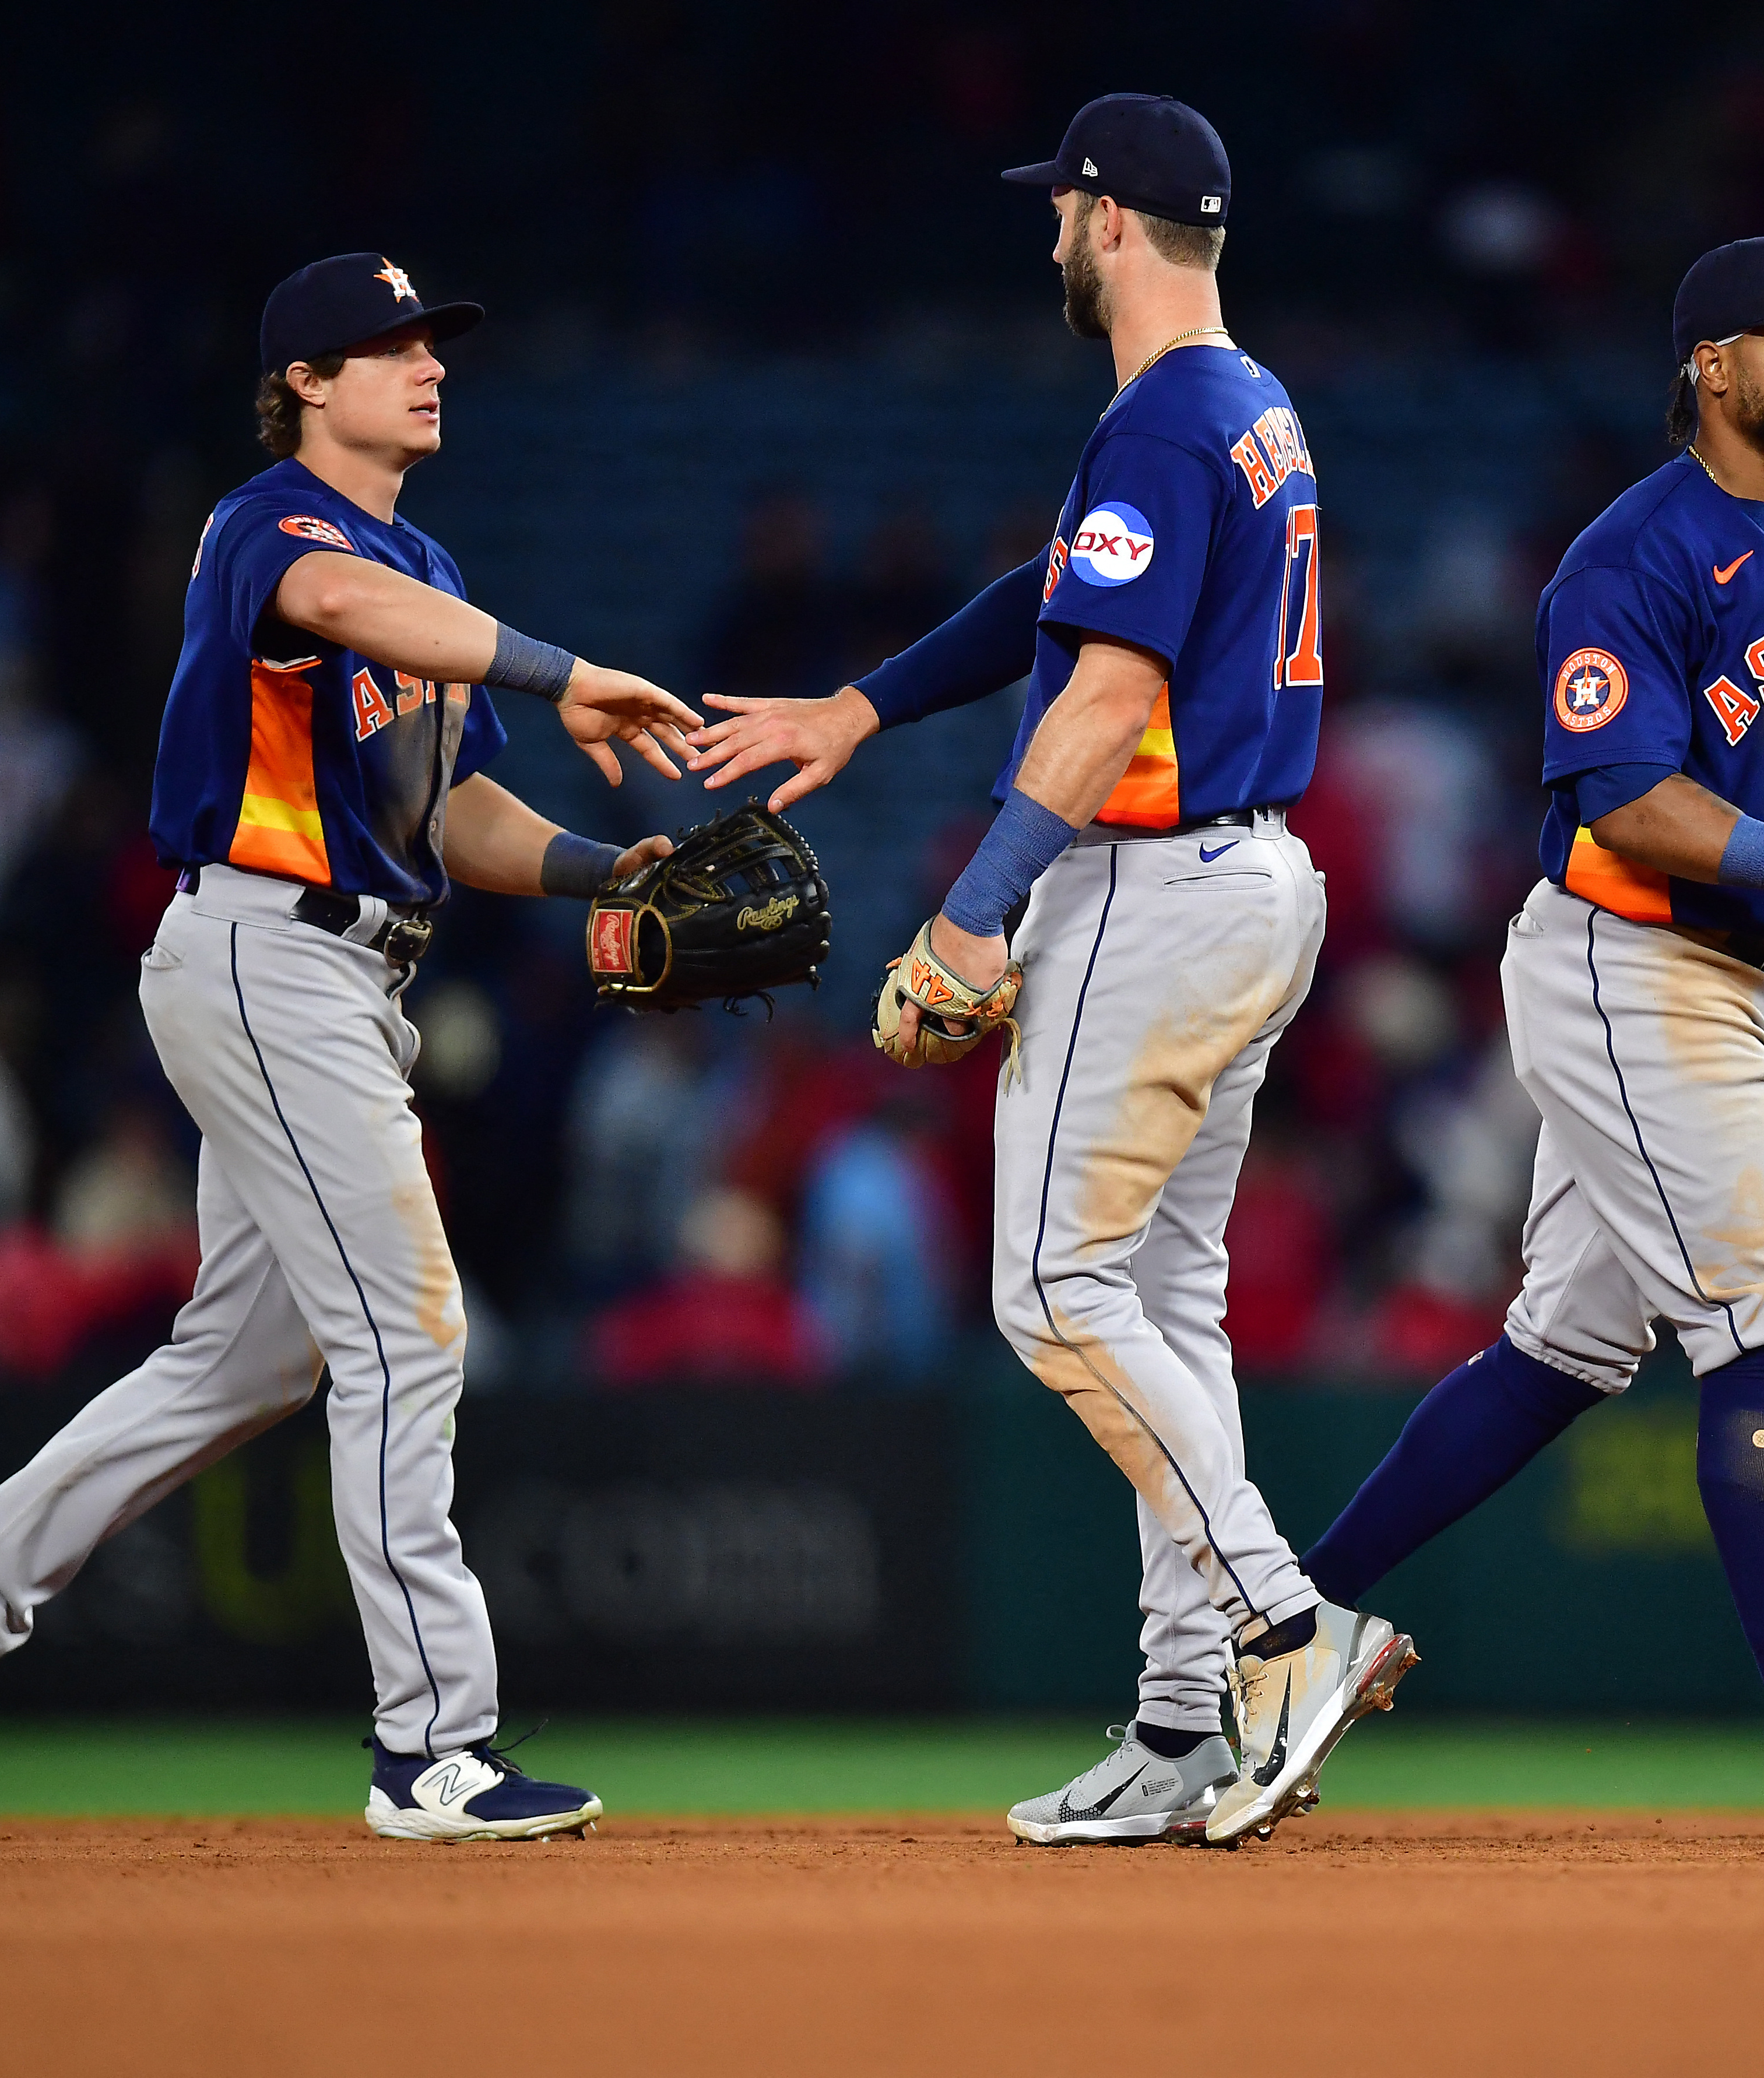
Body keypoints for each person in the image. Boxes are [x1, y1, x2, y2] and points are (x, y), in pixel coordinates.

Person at [0, 254, 700, 1840]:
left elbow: (447, 811)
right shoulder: (272, 527)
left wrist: (603, 868)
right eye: (389, 348)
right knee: (410, 1330)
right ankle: (431, 1749)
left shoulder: (427, 560)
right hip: (266, 948)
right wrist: (568, 668)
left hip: (345, 971)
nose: (427, 365)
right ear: (307, 383)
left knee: (240, 1360)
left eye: (433, 342)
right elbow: (343, 607)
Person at [686, 96, 1411, 1848]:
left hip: (1148, 889)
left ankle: (1284, 1629)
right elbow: (1059, 596)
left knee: (1046, 1292)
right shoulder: (1241, 405)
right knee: (1161, 1307)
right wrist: (861, 706)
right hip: (1250, 885)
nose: (1050, 237)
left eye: (1060, 209)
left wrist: (974, 907)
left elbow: (1100, 697)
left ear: (1103, 218)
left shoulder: (1163, 419)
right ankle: (1179, 1725)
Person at [1293, 237, 1764, 1844]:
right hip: (1629, 962)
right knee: (1758, 1325)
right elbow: (1627, 795)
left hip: (1747, 982)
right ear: (1707, 364)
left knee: (1563, 1351)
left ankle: (1273, 1627)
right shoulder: (1631, 556)